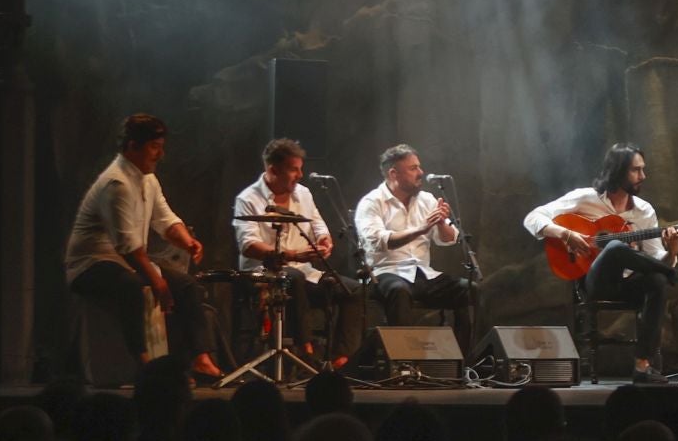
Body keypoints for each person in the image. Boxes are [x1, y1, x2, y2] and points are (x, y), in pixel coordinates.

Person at [523, 143, 678, 384]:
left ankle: (642, 366)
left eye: (643, 169)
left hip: (627, 284)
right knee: (616, 247)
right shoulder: (585, 198)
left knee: (658, 279)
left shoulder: (643, 211)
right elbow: (532, 218)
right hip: (593, 282)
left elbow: (656, 260)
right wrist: (567, 235)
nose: (643, 176)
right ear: (617, 171)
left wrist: (673, 250)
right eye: (635, 170)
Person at [63, 113, 221, 379]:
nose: (160, 154)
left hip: (124, 260)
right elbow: (127, 246)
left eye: (161, 147)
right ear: (132, 146)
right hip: (90, 264)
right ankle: (144, 362)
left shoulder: (147, 178)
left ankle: (200, 358)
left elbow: (165, 219)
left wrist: (187, 240)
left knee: (186, 285)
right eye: (154, 147)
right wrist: (157, 282)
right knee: (132, 285)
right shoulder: (117, 184)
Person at [232, 138, 365, 370]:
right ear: (273, 170)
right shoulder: (248, 199)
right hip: (264, 276)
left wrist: (325, 240)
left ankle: (341, 359)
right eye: (294, 169)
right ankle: (306, 351)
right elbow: (249, 245)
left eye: (300, 168)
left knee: (352, 290)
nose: (300, 175)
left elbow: (317, 224)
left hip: (303, 271)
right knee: (293, 277)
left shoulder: (303, 194)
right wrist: (292, 254)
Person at [355, 145, 473, 355]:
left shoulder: (426, 199)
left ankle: (463, 362)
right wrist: (421, 228)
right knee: (399, 291)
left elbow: (448, 239)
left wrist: (440, 223)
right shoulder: (371, 202)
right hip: (385, 273)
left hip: (422, 273)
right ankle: (404, 362)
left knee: (469, 288)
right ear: (394, 173)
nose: (421, 172)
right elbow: (380, 241)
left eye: (419, 167)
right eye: (413, 168)